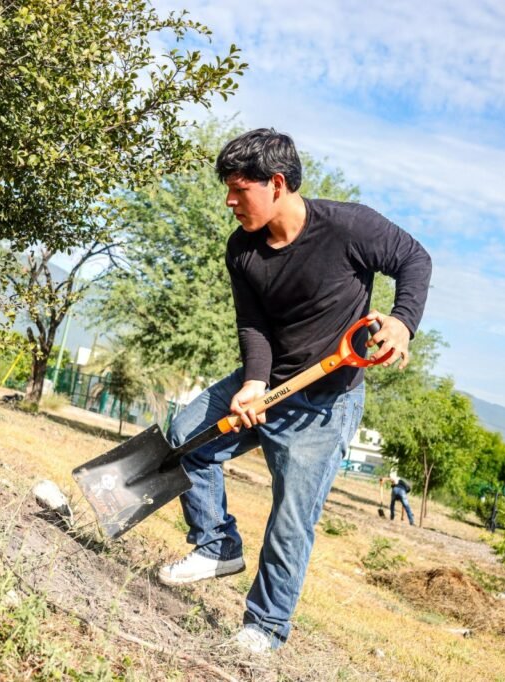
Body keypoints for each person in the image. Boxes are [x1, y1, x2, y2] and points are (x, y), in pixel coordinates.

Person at [156, 128, 432, 653]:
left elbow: (414, 260)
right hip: (271, 381)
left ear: (277, 184)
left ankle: (264, 627)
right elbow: (253, 324)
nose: (229, 201)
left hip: (326, 404)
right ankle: (216, 545)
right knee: (186, 436)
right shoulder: (242, 248)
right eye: (228, 189)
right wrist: (254, 382)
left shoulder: (350, 226)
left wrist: (402, 321)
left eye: (239, 189)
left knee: (291, 518)